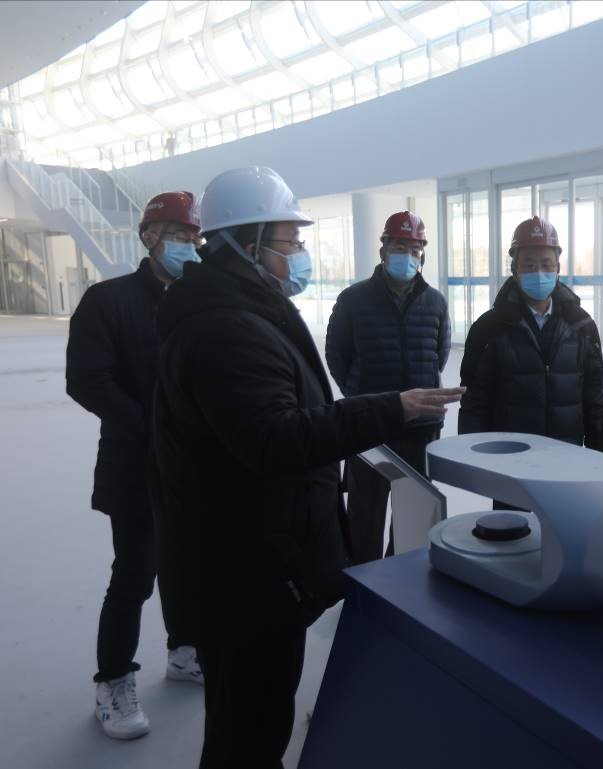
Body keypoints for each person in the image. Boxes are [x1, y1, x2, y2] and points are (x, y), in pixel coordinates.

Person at [150, 167, 463, 768]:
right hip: (246, 575)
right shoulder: (228, 327)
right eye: (290, 241)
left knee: (250, 716)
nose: (299, 254)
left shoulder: (240, 307)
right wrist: (389, 407)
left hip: (247, 559)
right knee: (250, 730)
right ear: (248, 243)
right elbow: (277, 438)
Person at [65, 191, 203, 740]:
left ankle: (185, 651)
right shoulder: (109, 300)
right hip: (135, 463)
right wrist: (149, 425)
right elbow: (87, 380)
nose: (188, 245)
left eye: (194, 236)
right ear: (149, 237)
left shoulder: (201, 301)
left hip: (193, 464)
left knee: (186, 565)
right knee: (135, 574)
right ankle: (114, 680)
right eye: (178, 235)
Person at [325, 211, 451, 563]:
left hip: (421, 426)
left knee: (414, 511)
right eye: (399, 247)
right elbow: (337, 355)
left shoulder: (436, 302)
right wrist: (361, 397)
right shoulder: (353, 299)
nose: (407, 255)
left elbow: (438, 356)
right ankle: (364, 580)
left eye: (414, 249)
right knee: (365, 512)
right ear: (383, 251)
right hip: (369, 425)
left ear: (422, 254)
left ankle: (401, 575)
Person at [458, 215, 603, 453]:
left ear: (557, 268)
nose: (539, 272)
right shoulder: (488, 328)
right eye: (529, 265)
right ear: (514, 269)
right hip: (509, 456)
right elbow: (474, 403)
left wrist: (601, 455)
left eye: (547, 265)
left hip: (565, 455)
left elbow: (594, 401)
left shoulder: (581, 325)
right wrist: (474, 458)